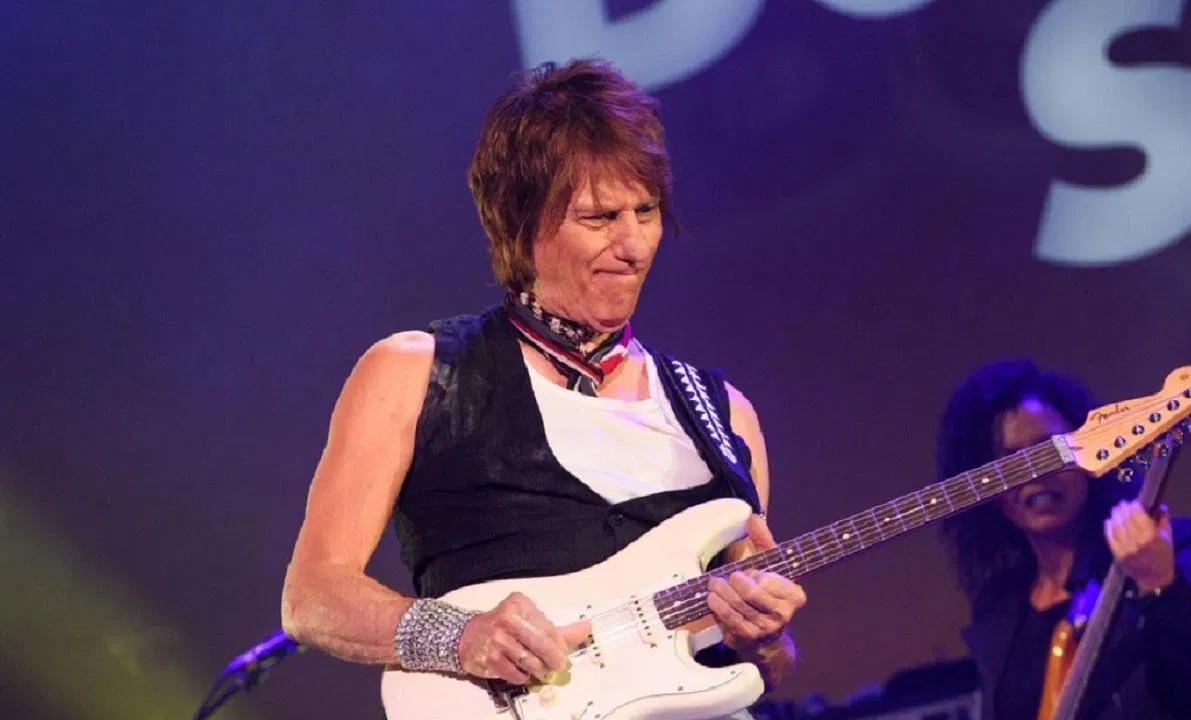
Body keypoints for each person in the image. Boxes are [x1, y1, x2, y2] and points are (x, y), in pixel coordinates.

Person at [279, 57, 805, 716]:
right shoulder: (416, 374)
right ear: (522, 224)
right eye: (599, 217)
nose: (634, 245)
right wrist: (461, 637)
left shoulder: (724, 415)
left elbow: (764, 666)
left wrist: (766, 641)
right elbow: (314, 598)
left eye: (645, 211)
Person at [934, 359, 1191, 719]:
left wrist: (1159, 585)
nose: (1036, 474)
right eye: (1010, 462)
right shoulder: (998, 602)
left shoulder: (1170, 544)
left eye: (1049, 450)